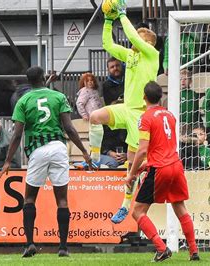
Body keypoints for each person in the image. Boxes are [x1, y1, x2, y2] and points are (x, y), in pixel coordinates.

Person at [0, 66, 92, 258]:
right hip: (57, 147)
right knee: (62, 200)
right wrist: (84, 151)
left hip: (37, 150)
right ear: (43, 78)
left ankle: (30, 244)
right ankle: (63, 248)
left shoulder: (23, 100)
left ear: (27, 81)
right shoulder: (58, 97)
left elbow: (16, 135)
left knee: (30, 198)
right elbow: (70, 128)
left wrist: (7, 161)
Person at [93, 4, 159, 223]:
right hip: (126, 108)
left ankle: (124, 206)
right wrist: (108, 21)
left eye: (138, 38)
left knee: (132, 166)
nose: (132, 42)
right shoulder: (130, 55)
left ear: (147, 42)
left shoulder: (152, 54)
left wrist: (122, 14)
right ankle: (94, 158)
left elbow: (133, 35)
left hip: (141, 114)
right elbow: (107, 44)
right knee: (95, 117)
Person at [126, 81, 199, 262]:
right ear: (161, 97)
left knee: (137, 212)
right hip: (175, 165)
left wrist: (132, 173)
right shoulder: (170, 115)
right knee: (180, 207)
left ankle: (161, 248)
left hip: (161, 168)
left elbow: (142, 150)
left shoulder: (145, 118)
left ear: (144, 97)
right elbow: (162, 145)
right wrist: (145, 165)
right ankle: (194, 251)